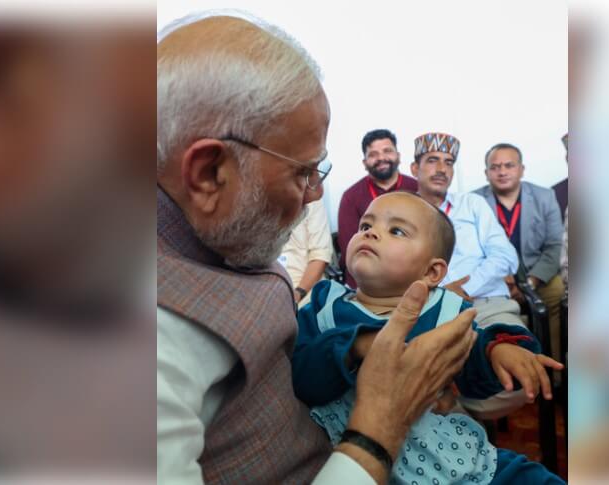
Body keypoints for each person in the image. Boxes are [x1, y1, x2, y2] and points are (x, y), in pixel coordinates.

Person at [157, 13, 477, 485]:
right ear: (208, 172)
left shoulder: (223, 228)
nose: (313, 196)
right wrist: (379, 430)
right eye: (301, 173)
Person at [293, 191, 565, 484]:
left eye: (396, 230)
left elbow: (471, 370)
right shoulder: (325, 304)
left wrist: (495, 351)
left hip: (449, 452)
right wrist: (357, 347)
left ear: (433, 271)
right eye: (365, 226)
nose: (371, 233)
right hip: (364, 464)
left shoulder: (445, 310)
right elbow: (303, 377)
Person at [410, 132, 522, 328]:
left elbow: (505, 256)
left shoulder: (472, 204)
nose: (441, 169)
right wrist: (441, 296)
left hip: (485, 304)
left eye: (449, 162)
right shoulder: (403, 212)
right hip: (427, 308)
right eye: (432, 160)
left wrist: (464, 289)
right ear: (414, 169)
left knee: (518, 350)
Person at [474, 143, 565, 361]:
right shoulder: (474, 202)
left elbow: (554, 246)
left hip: (536, 274)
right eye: (495, 167)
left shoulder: (545, 196)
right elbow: (472, 251)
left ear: (521, 169)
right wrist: (498, 281)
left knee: (557, 292)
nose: (502, 171)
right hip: (493, 279)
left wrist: (530, 283)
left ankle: (553, 370)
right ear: (486, 174)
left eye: (509, 165)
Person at [337, 129, 418, 287]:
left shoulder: (416, 188)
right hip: (366, 282)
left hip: (413, 276)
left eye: (387, 151)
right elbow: (351, 250)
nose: (381, 158)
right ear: (364, 163)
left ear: (398, 156)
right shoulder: (351, 197)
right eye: (373, 154)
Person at [279, 198, 334, 306]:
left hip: (304, 288)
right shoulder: (253, 200)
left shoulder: (312, 200)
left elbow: (320, 256)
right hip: (264, 289)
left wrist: (299, 293)